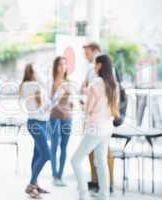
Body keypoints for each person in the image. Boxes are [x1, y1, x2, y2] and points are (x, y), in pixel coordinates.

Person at [72, 54, 119, 200]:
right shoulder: (113, 84)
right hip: (107, 127)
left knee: (75, 160)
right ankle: (104, 195)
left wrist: (82, 103)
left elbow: (89, 109)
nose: (93, 66)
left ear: (99, 65)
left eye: (95, 63)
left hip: (95, 128)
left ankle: (83, 195)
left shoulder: (96, 83)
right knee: (101, 161)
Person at [81, 42, 115, 193]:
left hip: (98, 122)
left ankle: (105, 185)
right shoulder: (104, 77)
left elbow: (90, 101)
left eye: (87, 53)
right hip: (105, 122)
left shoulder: (100, 75)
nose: (85, 56)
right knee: (98, 157)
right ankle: (100, 186)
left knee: (100, 155)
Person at [19, 63, 51, 199]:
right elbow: (47, 100)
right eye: (37, 71)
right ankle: (31, 184)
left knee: (37, 154)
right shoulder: (30, 85)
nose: (39, 73)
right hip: (35, 123)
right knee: (46, 155)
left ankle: (35, 184)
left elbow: (44, 105)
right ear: (31, 73)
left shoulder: (33, 86)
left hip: (43, 122)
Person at [48, 56, 73, 187]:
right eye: (60, 64)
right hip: (54, 117)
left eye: (65, 64)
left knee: (64, 146)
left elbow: (71, 100)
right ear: (56, 67)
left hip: (67, 118)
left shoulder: (68, 82)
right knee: (54, 146)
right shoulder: (51, 82)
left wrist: (72, 105)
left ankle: (60, 175)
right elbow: (50, 101)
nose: (63, 67)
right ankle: (54, 175)